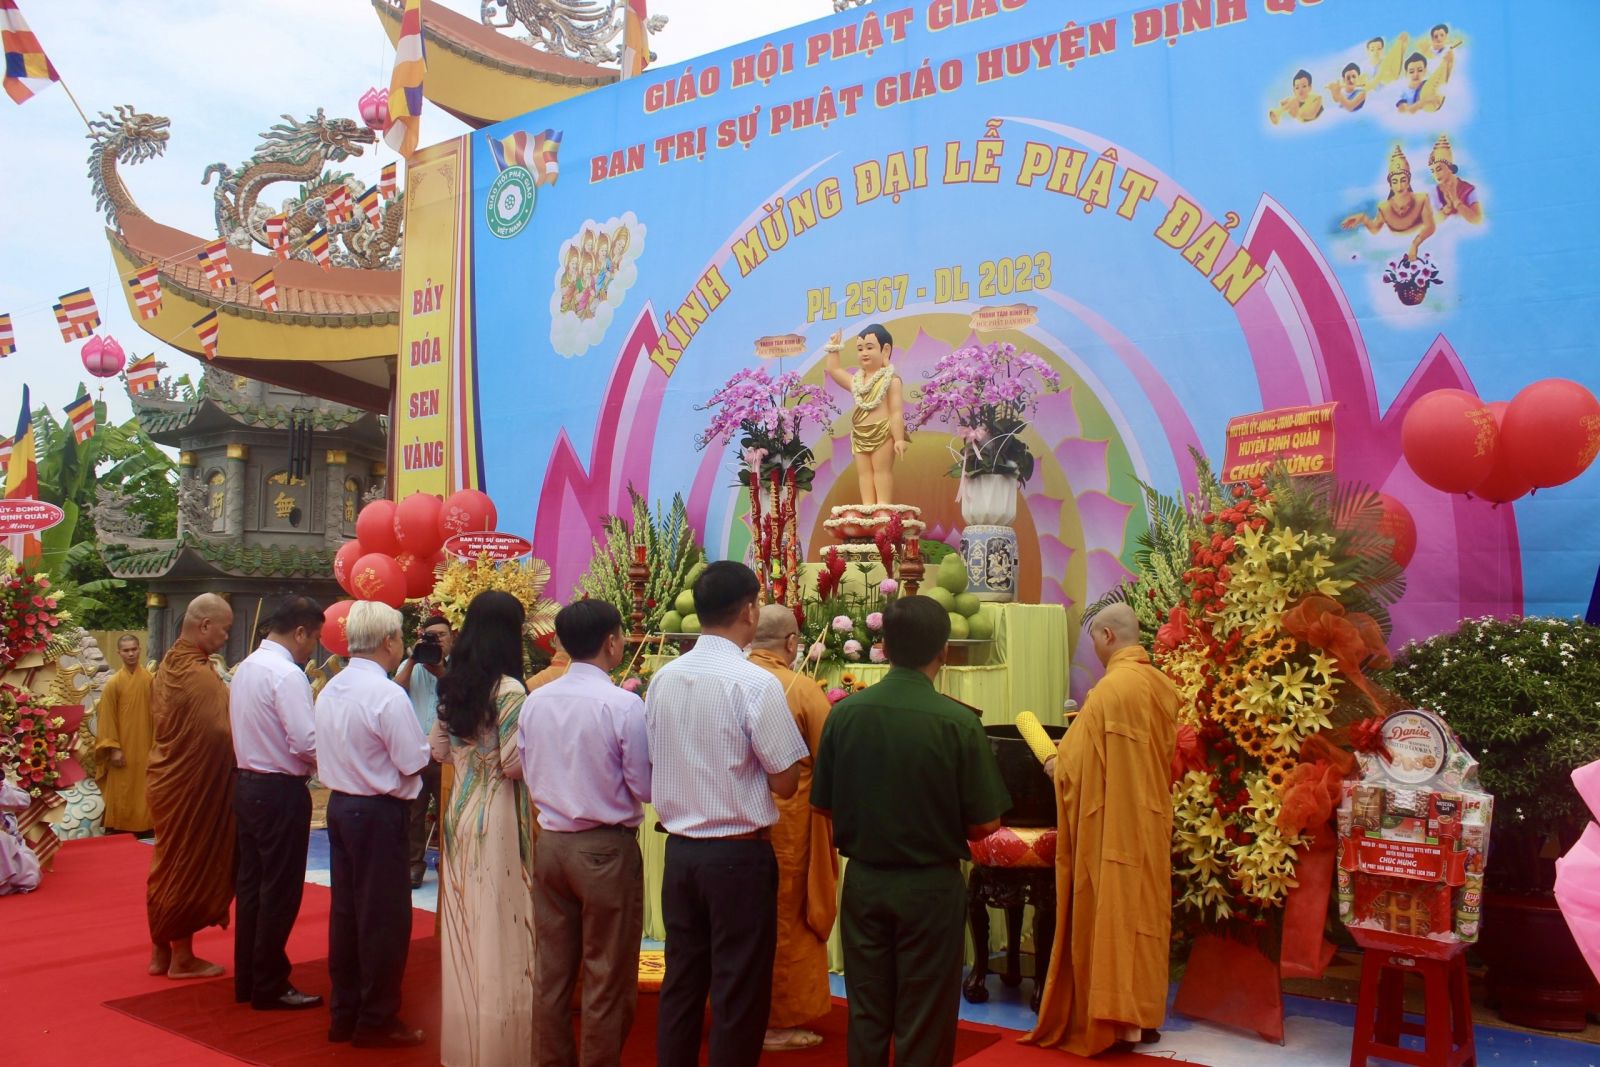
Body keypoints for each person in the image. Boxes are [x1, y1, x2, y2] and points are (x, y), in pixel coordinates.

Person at [810, 596, 1010, 1067]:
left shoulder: (845, 714)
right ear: (944, 650)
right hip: (930, 887)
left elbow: (821, 806)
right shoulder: (959, 722)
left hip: (865, 883)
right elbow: (986, 824)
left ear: (884, 646)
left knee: (867, 1010)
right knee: (925, 1016)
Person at [647, 561, 810, 1067]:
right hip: (738, 857)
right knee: (739, 989)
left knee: (682, 981)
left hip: (680, 853)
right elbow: (786, 781)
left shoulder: (664, 678)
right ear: (749, 611)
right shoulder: (755, 683)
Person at [1021, 604, 1180, 1057]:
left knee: (1112, 914)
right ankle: (1142, 1018)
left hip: (1112, 827)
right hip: (1149, 821)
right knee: (1144, 916)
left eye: (1093, 638)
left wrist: (1051, 758)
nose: (1094, 647)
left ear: (1107, 635)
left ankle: (1113, 1020)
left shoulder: (1109, 691)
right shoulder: (1162, 686)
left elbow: (1069, 770)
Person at [521, 599, 651, 1067]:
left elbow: (528, 768)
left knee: (552, 970)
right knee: (607, 972)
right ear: (612, 642)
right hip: (603, 848)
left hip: (552, 842)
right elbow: (644, 786)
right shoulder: (622, 703)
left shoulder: (536, 699)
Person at [315, 601, 430, 1048]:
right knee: (383, 918)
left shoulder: (333, 687)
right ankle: (376, 1018)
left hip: (342, 806)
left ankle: (345, 1013)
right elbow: (411, 760)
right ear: (388, 641)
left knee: (346, 913)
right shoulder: (386, 694)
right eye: (399, 636)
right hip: (377, 812)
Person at [430, 590, 538, 1066]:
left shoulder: (451, 685)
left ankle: (464, 1046)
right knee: (501, 926)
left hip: (459, 811)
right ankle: (503, 1050)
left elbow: (437, 750)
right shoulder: (510, 690)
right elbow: (513, 764)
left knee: (466, 925)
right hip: (497, 813)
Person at [747, 605, 838, 1053]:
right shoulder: (800, 689)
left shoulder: (731, 679)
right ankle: (776, 1024)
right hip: (788, 829)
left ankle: (737, 1013)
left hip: (731, 828)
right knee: (785, 920)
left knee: (739, 923)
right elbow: (832, 761)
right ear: (790, 643)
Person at [229, 596, 322, 1011]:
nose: (313, 648)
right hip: (280, 789)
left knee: (252, 885)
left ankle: (249, 978)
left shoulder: (247, 667)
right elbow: (305, 741)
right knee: (279, 889)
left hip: (248, 785)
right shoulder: (286, 674)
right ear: (299, 632)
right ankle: (269, 980)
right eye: (314, 638)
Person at [146, 593, 236, 980]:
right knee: (187, 862)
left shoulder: (170, 662)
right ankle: (182, 957)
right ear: (204, 625)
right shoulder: (197, 675)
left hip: (167, 778)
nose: (226, 637)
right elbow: (218, 733)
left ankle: (160, 952)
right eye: (224, 629)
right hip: (192, 784)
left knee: (166, 862)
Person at [395, 614, 454, 888]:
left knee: (449, 812)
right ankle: (413, 865)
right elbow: (395, 690)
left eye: (441, 635)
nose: (437, 641)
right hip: (417, 752)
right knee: (413, 813)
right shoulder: (413, 665)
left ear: (452, 637)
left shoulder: (460, 668)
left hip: (448, 753)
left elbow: (462, 694)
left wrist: (441, 671)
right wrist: (413, 658)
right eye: (431, 636)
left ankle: (449, 862)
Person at [825, 324, 909, 505]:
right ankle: (868, 507)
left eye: (869, 348)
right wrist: (834, 348)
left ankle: (883, 508)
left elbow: (896, 412)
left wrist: (899, 439)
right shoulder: (856, 382)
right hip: (859, 434)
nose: (864, 353)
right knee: (864, 474)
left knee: (881, 471)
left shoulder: (891, 380)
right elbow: (834, 370)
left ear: (885, 350)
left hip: (883, 432)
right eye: (860, 349)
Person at [94, 633, 155, 835]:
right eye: (126, 650)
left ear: (140, 650)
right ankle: (119, 827)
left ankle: (145, 827)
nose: (131, 654)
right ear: (119, 653)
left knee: (144, 789)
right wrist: (113, 748)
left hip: (146, 747)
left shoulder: (150, 680)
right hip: (122, 750)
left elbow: (159, 715)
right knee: (122, 788)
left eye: (134, 649)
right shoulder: (114, 683)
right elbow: (107, 718)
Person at [1340, 145, 1436, 260]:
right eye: (1395, 181)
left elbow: (1430, 227)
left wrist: (1415, 244)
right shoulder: (1384, 207)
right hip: (1392, 251)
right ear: (1390, 184)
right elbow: (1375, 229)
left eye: (1403, 180)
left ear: (1409, 181)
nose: (1399, 186)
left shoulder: (1422, 199)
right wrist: (1362, 218)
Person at [1427, 133, 1482, 224]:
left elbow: (1477, 220)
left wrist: (1456, 201)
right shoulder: (1435, 192)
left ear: (1450, 168)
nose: (1436, 174)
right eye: (1432, 171)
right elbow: (1433, 222)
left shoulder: (1468, 189)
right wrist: (1447, 208)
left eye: (1439, 169)